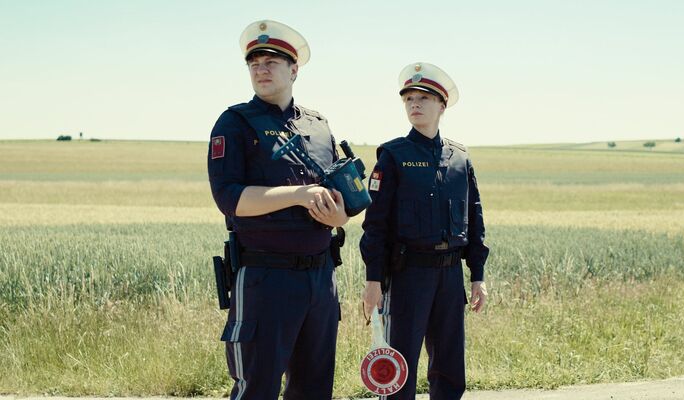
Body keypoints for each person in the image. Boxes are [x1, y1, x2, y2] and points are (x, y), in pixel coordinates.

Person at [207, 19, 348, 400]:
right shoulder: (235, 123)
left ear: (294, 69)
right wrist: (299, 194)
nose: (261, 68)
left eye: (271, 61)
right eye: (254, 62)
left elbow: (341, 196)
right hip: (265, 279)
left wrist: (341, 217)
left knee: (314, 389)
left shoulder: (319, 126)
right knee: (257, 388)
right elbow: (230, 198)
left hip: (320, 279)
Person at [360, 62, 490, 400]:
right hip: (408, 276)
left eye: (423, 98)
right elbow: (375, 224)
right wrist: (373, 280)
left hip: (449, 277)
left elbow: (474, 219)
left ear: (442, 106)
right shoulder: (393, 156)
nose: (415, 105)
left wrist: (478, 275)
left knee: (449, 367)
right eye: (409, 99)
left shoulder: (460, 158)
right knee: (399, 368)